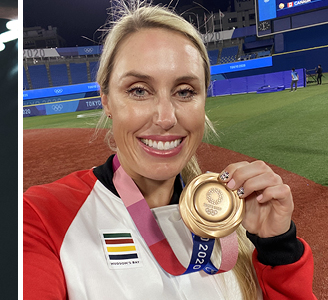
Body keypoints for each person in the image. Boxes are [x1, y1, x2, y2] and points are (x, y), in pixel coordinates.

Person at [23, 4, 314, 300]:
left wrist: (278, 248)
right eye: (139, 90)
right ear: (106, 100)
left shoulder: (226, 214)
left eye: (185, 91)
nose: (165, 118)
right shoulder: (41, 217)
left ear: (203, 101)